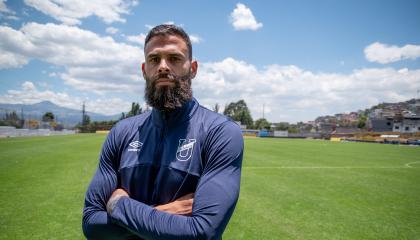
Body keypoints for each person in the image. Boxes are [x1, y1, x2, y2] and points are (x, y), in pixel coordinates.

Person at [82, 24, 244, 240]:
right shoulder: (121, 132)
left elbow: (202, 232)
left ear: (193, 69)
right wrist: (168, 215)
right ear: (144, 70)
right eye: (154, 59)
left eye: (174, 59)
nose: (163, 66)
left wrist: (118, 204)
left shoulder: (220, 132)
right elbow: (92, 224)